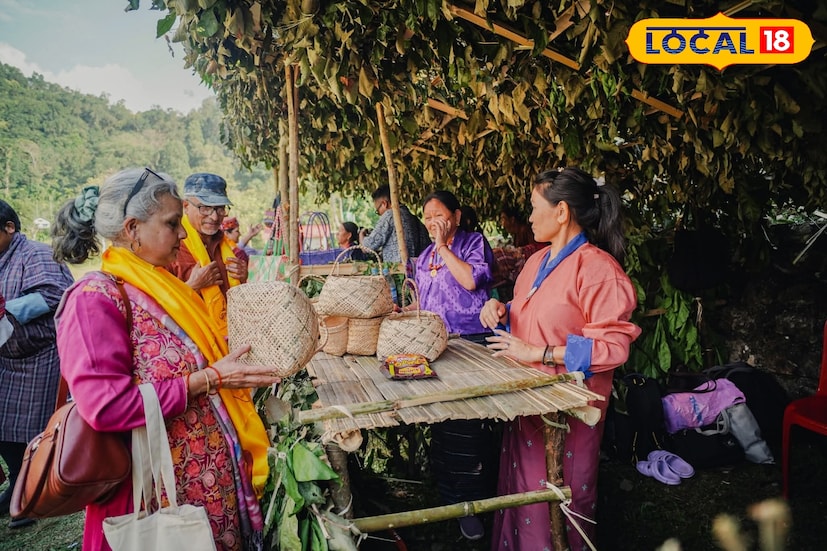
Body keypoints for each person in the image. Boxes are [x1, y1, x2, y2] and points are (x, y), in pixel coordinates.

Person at [51, 168, 281, 551]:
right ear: (132, 228)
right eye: (173, 223)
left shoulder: (163, 286)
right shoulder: (95, 299)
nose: (182, 233)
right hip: (154, 499)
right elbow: (106, 407)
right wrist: (207, 380)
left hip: (202, 490)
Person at [479, 167, 641, 551]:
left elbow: (613, 347)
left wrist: (540, 353)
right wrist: (500, 310)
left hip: (571, 414)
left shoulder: (600, 270)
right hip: (528, 404)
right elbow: (527, 311)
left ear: (562, 211)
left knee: (560, 497)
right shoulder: (536, 262)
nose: (530, 216)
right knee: (523, 490)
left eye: (535, 207)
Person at [411, 190, 497, 541]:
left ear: (457, 217)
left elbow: (471, 281)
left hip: (471, 345)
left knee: (465, 425)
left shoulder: (473, 243)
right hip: (435, 348)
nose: (432, 222)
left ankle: (472, 504)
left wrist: (445, 245)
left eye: (439, 215)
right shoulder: (424, 256)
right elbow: (421, 298)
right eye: (427, 216)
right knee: (441, 423)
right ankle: (450, 496)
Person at [0, 199, 74, 528]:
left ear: (10, 228)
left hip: (41, 357)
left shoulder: (36, 253)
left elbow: (57, 292)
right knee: (4, 431)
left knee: (33, 434)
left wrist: (9, 307)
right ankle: (17, 486)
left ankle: (30, 496)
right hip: (6, 357)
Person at [167, 173, 248, 332]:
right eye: (205, 208)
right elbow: (158, 306)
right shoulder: (171, 245)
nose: (214, 216)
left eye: (220, 208)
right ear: (185, 206)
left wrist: (243, 279)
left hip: (230, 336)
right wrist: (192, 287)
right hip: (191, 339)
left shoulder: (224, 246)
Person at [359, 185, 431, 263]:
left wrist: (361, 234)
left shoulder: (390, 215)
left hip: (397, 270)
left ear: (384, 204)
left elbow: (367, 247)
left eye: (377, 211)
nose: (379, 214)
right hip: (416, 270)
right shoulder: (414, 218)